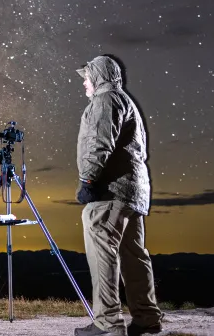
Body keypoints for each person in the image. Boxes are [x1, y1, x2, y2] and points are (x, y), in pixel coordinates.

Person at [73, 56, 163, 336]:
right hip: (133, 193)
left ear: (99, 76)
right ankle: (147, 317)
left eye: (87, 77)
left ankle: (108, 324)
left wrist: (88, 179)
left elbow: (99, 142)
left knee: (103, 254)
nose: (84, 84)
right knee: (134, 255)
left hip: (110, 192)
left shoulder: (105, 100)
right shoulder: (125, 100)